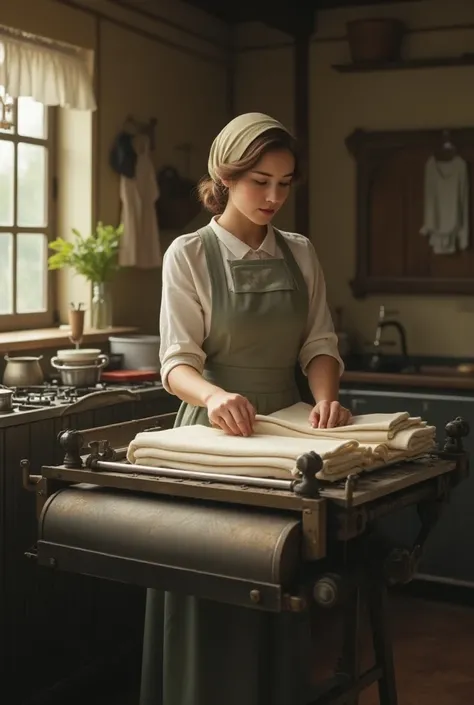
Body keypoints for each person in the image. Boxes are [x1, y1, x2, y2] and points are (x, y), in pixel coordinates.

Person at [139, 112, 351, 705]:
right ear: (225, 178)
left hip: (285, 435)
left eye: (284, 184)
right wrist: (214, 395)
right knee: (209, 587)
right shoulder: (189, 254)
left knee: (277, 579)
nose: (273, 197)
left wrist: (326, 396)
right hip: (213, 432)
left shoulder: (301, 254)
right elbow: (176, 364)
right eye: (260, 181)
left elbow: (319, 344)